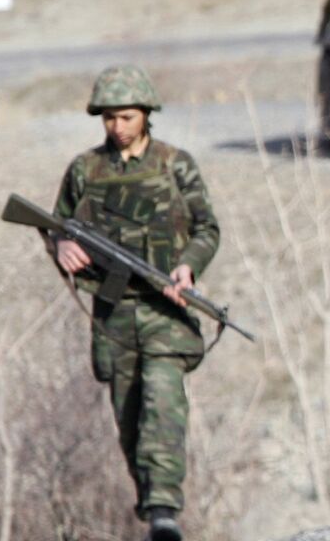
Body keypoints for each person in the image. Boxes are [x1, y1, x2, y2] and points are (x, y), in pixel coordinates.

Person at [51, 65, 220, 541]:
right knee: (128, 418)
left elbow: (207, 228)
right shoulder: (85, 170)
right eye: (108, 118)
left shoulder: (174, 164)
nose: (117, 127)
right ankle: (151, 504)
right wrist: (61, 247)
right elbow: (57, 224)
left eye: (126, 117)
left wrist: (188, 266)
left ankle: (165, 509)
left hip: (165, 309)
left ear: (146, 114)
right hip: (113, 312)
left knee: (162, 402)